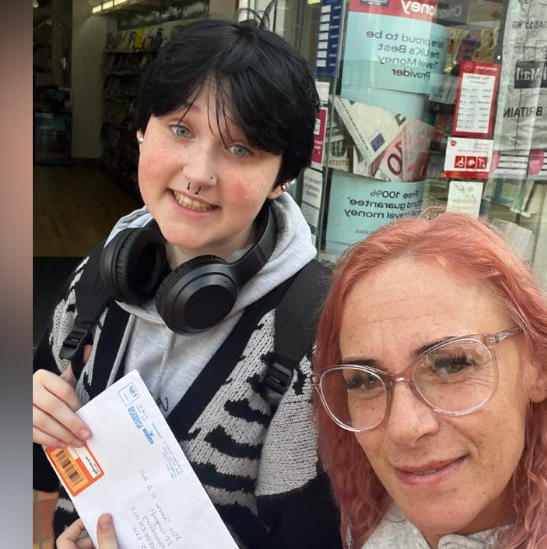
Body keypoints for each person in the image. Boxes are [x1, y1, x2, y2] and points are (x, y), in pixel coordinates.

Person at [32, 15, 341, 549]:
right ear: (141, 130)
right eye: (181, 129)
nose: (199, 172)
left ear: (282, 177)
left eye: (241, 149)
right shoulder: (101, 277)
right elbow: (43, 470)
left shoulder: (311, 332)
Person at [311, 212, 547, 549]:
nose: (403, 427)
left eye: (451, 364)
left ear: (540, 365)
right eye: (364, 381)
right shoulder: (365, 519)